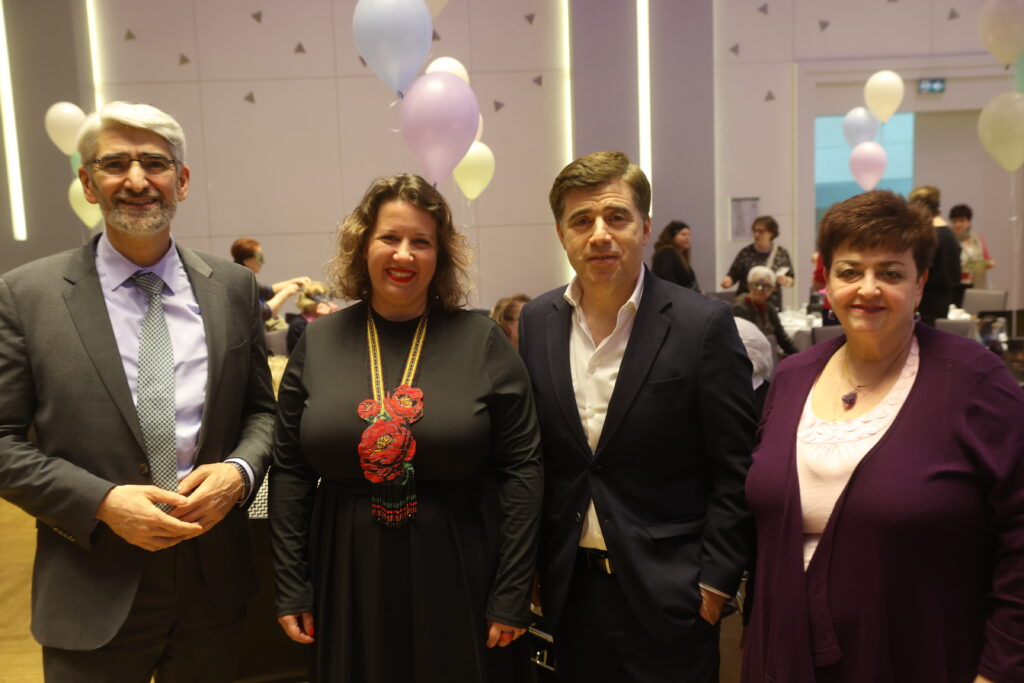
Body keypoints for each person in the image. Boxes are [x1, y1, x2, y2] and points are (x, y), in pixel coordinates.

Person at [0, 102, 275, 682]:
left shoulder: (232, 288)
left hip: (213, 585)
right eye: (114, 163)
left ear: (182, 179)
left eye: (154, 162)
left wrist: (239, 473)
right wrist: (101, 502)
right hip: (90, 580)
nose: (136, 180)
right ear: (87, 182)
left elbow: (262, 414)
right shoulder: (26, 297)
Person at [741, 190, 1024, 683]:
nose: (867, 289)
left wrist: (1000, 669)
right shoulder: (793, 377)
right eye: (850, 271)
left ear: (920, 285)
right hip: (783, 653)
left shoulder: (974, 380)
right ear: (827, 281)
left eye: (890, 273)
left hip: (918, 653)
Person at [270, 174, 543, 682]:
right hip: (345, 569)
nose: (404, 254)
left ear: (441, 256)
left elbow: (523, 470)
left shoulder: (481, 340)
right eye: (389, 238)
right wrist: (291, 583)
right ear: (362, 246)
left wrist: (512, 589)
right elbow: (289, 471)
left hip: (461, 567)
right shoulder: (319, 341)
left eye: (421, 242)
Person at [519, 151, 757, 682]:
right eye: (582, 220)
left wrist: (715, 585)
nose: (599, 234)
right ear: (561, 234)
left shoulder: (703, 325)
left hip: (672, 596)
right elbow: (541, 460)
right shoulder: (537, 321)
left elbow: (736, 466)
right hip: (570, 594)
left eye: (616, 217)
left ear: (645, 228)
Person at [908, 185, 960, 324]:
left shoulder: (930, 237)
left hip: (927, 304)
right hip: (943, 301)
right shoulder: (949, 234)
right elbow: (955, 275)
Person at [230, 237, 310, 325]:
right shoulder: (241, 283)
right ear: (247, 261)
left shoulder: (241, 278)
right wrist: (286, 293)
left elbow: (268, 291)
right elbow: (263, 313)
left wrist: (294, 281)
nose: (262, 261)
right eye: (259, 257)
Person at [721, 215, 794, 310]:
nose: (756, 234)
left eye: (761, 231)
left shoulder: (781, 253)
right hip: (747, 305)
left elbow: (791, 280)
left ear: (771, 233)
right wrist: (727, 281)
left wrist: (785, 280)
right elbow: (733, 275)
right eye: (754, 231)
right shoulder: (745, 253)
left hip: (771, 305)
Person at [732, 266, 800, 358]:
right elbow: (743, 343)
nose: (760, 289)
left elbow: (783, 339)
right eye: (756, 284)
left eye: (766, 286)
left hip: (766, 356)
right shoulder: (740, 308)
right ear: (748, 285)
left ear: (773, 288)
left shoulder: (769, 308)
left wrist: (801, 357)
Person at [950, 203, 995, 306]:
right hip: (955, 286)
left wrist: (988, 264)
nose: (958, 225)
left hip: (974, 284)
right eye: (955, 221)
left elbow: (987, 259)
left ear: (969, 222)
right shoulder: (949, 239)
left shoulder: (977, 239)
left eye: (962, 221)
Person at [286, 281, 339, 353]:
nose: (329, 304)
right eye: (325, 300)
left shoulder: (322, 319)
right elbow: (318, 348)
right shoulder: (298, 325)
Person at [651, 220, 700, 291]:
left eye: (689, 234)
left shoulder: (679, 255)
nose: (687, 238)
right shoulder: (666, 254)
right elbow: (668, 282)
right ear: (672, 237)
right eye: (683, 234)